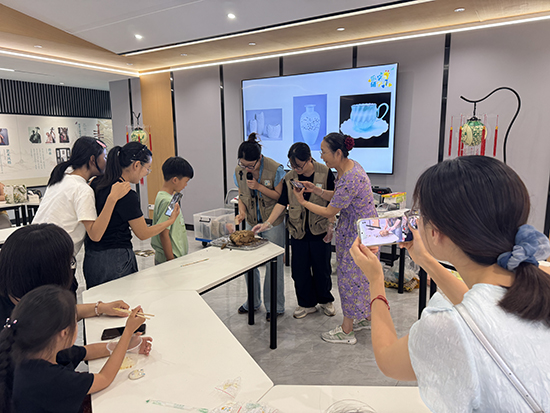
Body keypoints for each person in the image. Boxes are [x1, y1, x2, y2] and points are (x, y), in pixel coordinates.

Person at [349, 156, 550, 411]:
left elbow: (388, 360)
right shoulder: (534, 284)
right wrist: (425, 259)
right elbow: (477, 307)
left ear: (436, 232)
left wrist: (375, 281)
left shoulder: (448, 326)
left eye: (420, 215)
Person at [0, 285, 152, 413]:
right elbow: (104, 378)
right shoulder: (53, 379)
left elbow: (87, 351)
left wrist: (128, 345)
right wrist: (127, 332)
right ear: (64, 333)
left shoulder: (35, 349)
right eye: (75, 320)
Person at [293, 132, 377, 344]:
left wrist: (303, 202)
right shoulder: (350, 168)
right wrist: (317, 190)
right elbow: (339, 197)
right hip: (363, 232)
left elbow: (330, 211)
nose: (321, 156)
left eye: (324, 152)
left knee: (349, 280)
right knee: (362, 279)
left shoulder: (350, 178)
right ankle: (367, 317)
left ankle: (347, 331)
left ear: (338, 153)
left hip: (356, 236)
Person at [253, 142, 336, 319]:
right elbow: (282, 202)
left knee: (322, 268)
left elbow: (333, 201)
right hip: (298, 230)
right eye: (292, 165)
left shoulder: (325, 172)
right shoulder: (290, 177)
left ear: (309, 159)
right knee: (299, 270)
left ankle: (325, 300)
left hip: (320, 229)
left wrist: (331, 225)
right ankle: (306, 303)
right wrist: (267, 223)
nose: (296, 169)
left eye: (299, 165)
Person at [84, 142, 180, 288]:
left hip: (92, 256)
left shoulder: (96, 183)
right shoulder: (127, 194)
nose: (146, 173)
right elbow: (143, 233)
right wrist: (170, 221)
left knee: (98, 300)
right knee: (122, 299)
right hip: (116, 258)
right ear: (136, 165)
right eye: (147, 169)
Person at [0, 224, 130, 323]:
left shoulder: (34, 298)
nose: (70, 269)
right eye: (68, 263)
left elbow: (59, 312)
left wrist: (100, 308)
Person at [34, 136, 131, 256]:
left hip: (34, 245)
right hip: (52, 254)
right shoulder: (83, 189)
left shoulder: (60, 178)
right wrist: (112, 198)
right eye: (104, 157)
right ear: (92, 160)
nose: (106, 161)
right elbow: (95, 235)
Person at [234, 133, 285, 321]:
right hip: (251, 220)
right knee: (249, 262)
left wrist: (258, 186)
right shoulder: (239, 170)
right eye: (243, 164)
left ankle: (275, 306)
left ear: (259, 158)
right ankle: (253, 302)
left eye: (250, 165)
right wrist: (241, 212)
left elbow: (280, 197)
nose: (246, 168)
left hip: (273, 222)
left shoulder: (275, 169)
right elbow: (241, 194)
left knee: (274, 263)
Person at [151, 156, 194, 264]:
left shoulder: (163, 196)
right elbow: (163, 233)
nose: (186, 185)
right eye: (186, 181)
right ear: (175, 180)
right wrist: (171, 261)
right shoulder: (168, 202)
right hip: (169, 259)